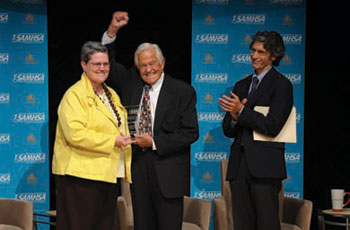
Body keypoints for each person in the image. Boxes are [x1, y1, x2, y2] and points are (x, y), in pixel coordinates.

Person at [101, 11, 199, 230]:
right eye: (143, 65)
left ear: (162, 63)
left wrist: (154, 142)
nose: (149, 69)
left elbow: (190, 132)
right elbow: (109, 62)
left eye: (153, 63)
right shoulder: (131, 84)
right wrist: (112, 31)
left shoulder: (182, 91)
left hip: (169, 172)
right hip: (139, 169)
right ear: (138, 67)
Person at [52, 41, 135, 230]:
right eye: (97, 64)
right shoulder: (74, 95)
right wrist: (113, 140)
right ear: (84, 65)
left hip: (107, 174)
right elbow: (75, 134)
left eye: (105, 64)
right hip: (80, 177)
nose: (102, 68)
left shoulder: (111, 94)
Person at [218, 31, 293, 230]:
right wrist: (234, 118)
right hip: (239, 167)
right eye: (253, 50)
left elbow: (273, 125)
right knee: (242, 224)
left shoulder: (282, 85)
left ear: (274, 56)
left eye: (261, 51)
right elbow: (228, 130)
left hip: (265, 168)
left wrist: (242, 112)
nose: (254, 55)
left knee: (267, 223)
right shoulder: (241, 85)